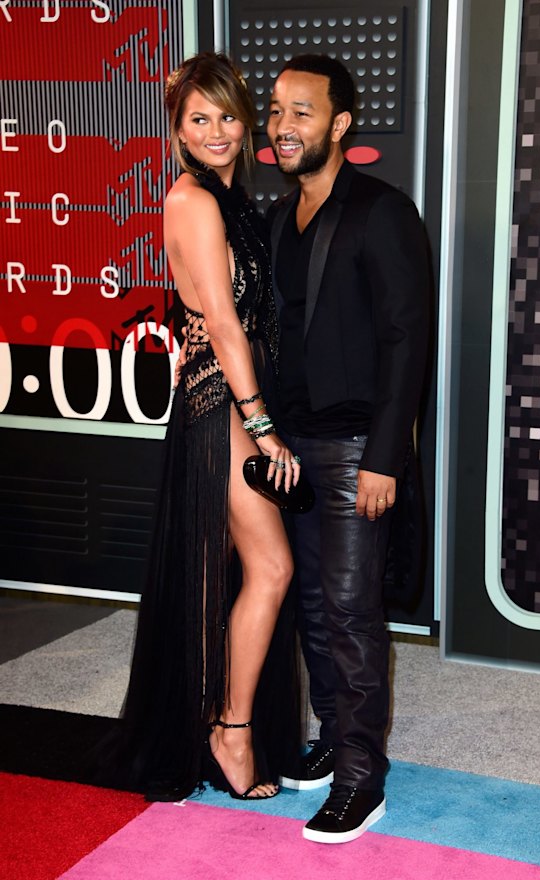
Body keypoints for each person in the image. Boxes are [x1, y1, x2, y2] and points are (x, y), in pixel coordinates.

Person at [101, 52, 301, 803]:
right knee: (270, 570)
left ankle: (225, 719)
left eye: (226, 117)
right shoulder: (192, 200)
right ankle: (231, 731)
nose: (216, 131)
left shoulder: (230, 196)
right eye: (199, 120)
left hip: (228, 404)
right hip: (220, 409)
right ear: (177, 131)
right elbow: (219, 321)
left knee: (236, 577)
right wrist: (263, 426)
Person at [266, 55, 430, 843]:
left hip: (357, 445)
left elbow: (407, 342)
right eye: (275, 110)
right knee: (311, 607)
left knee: (352, 612)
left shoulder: (382, 212)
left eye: (302, 111)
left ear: (340, 123)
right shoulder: (278, 216)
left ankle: (364, 779)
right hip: (293, 445)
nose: (282, 125)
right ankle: (333, 742)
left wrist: (386, 459)